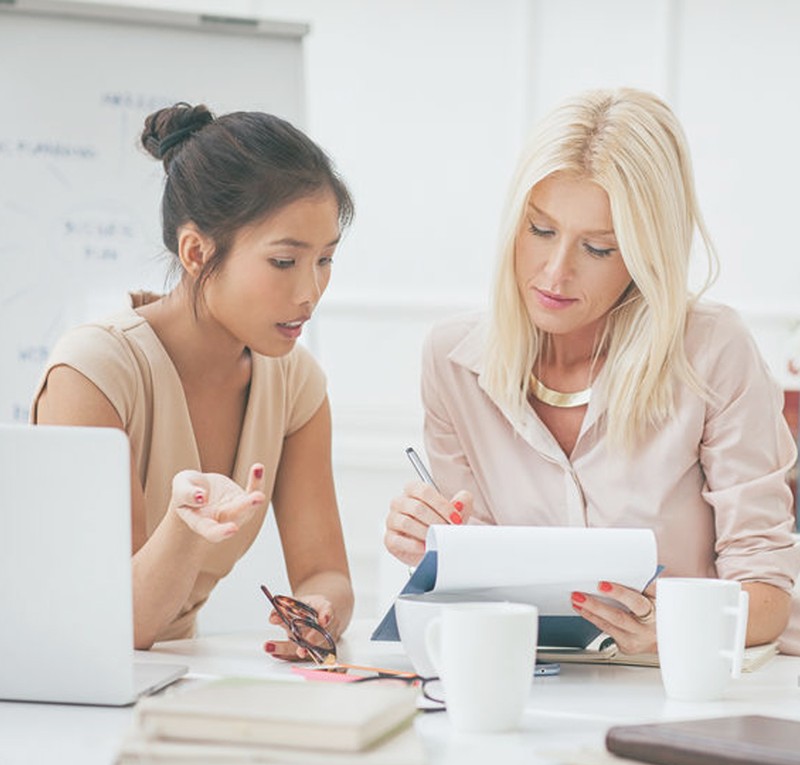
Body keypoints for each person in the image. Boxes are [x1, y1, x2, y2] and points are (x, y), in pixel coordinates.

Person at [384, 87, 800, 655]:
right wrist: (433, 548)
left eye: (599, 249)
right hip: (545, 681)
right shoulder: (453, 360)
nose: (555, 273)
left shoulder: (712, 350)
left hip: (693, 683)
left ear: (645, 253)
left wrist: (671, 628)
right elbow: (481, 579)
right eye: (541, 230)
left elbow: (769, 596)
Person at [32, 102, 354, 657]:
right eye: (284, 262)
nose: (310, 293)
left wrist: (318, 611)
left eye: (324, 260)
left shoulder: (295, 382)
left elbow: (327, 572)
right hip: (57, 675)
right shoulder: (93, 374)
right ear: (196, 251)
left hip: (168, 676)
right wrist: (185, 526)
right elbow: (115, 623)